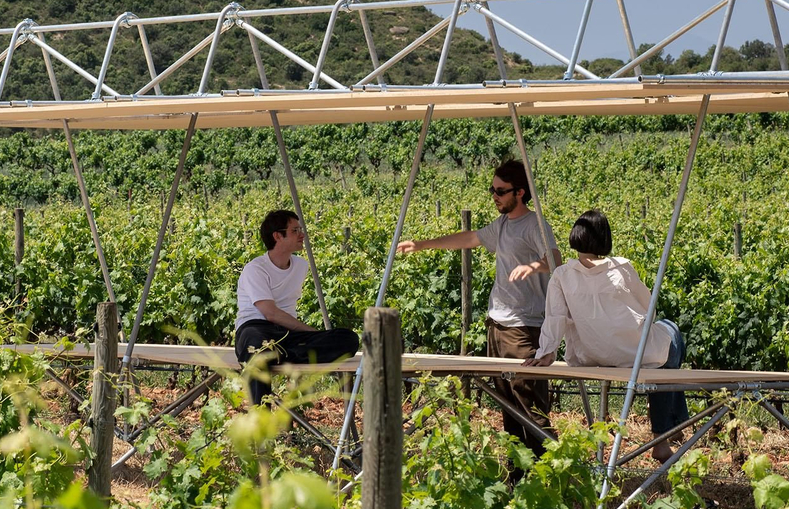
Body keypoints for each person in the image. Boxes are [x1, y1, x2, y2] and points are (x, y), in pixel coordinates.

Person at [398, 158, 559, 452]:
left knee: (530, 407)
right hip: (497, 326)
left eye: (500, 191)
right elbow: (470, 238)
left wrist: (534, 266)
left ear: (519, 192)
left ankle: (549, 473)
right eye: (492, 190)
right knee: (508, 409)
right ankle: (518, 477)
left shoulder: (535, 225)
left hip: (524, 329)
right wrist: (422, 244)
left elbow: (556, 260)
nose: (494, 196)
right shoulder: (501, 226)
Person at [526, 209, 689, 461]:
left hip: (588, 354)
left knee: (663, 363)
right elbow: (650, 309)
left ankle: (671, 429)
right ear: (605, 237)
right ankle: (668, 431)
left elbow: (555, 318)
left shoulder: (561, 275)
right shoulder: (621, 268)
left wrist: (546, 353)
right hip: (634, 354)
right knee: (671, 333)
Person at [233, 209, 358, 405]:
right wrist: (312, 333)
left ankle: (281, 355)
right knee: (256, 347)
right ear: (277, 236)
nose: (302, 234)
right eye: (295, 230)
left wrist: (315, 336)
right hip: (255, 328)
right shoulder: (255, 269)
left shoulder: (300, 265)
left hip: (286, 334)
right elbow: (270, 313)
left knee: (348, 339)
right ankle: (260, 414)